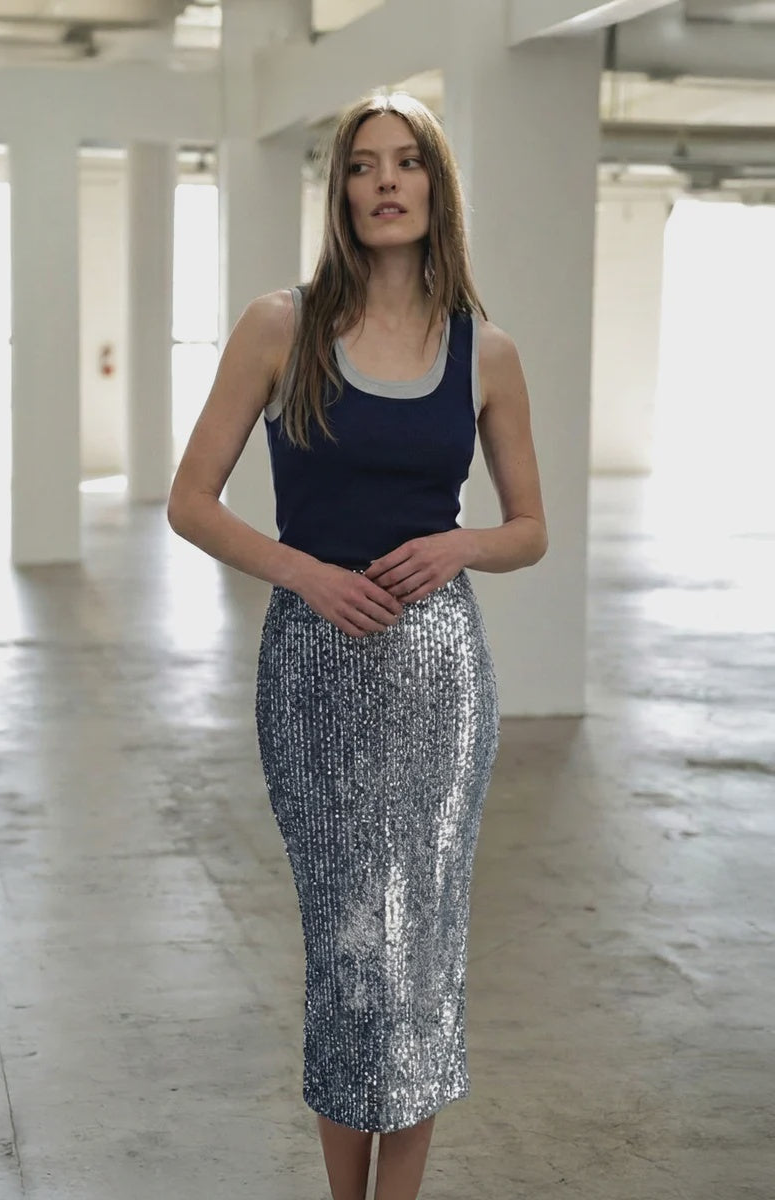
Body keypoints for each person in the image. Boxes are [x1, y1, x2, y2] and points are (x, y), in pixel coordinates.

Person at [167, 90, 547, 1200]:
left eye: (407, 162)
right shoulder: (278, 328)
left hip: (439, 678)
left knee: (419, 950)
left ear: (436, 187)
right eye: (363, 165)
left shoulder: (485, 351)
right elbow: (191, 501)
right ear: (338, 191)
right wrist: (303, 572)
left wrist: (461, 545)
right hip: (312, 667)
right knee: (345, 951)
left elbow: (529, 529)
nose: (386, 182)